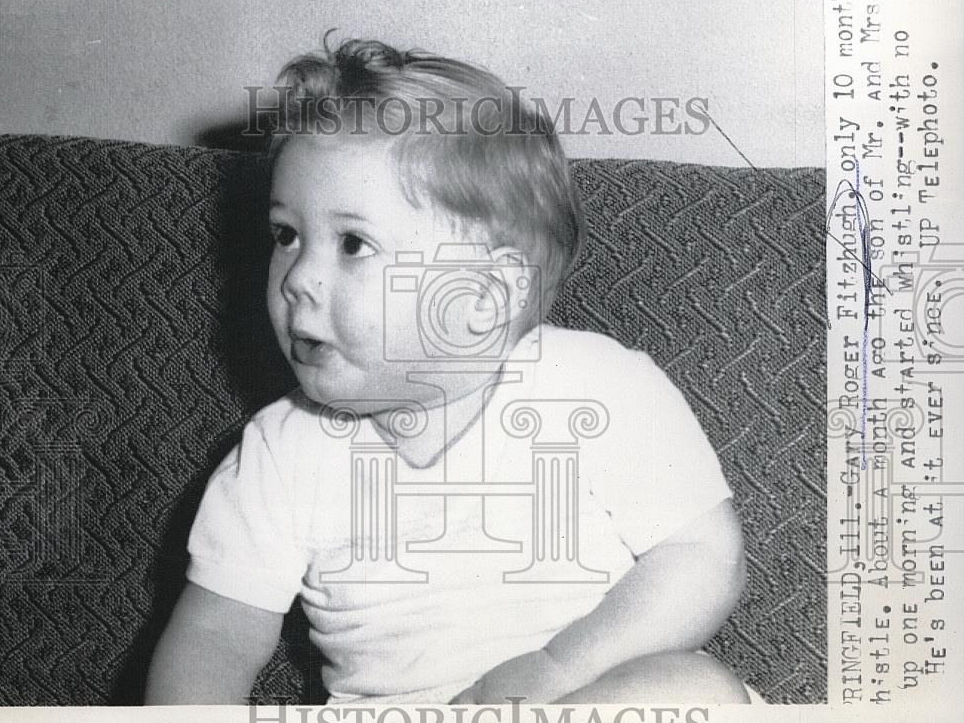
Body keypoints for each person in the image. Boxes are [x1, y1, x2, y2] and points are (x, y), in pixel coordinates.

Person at [145, 37, 754, 706]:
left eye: (353, 243)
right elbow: (216, 632)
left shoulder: (602, 387)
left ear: (484, 298)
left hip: (578, 690)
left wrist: (551, 670)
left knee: (691, 689)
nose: (299, 279)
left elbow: (703, 556)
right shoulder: (279, 450)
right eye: (286, 234)